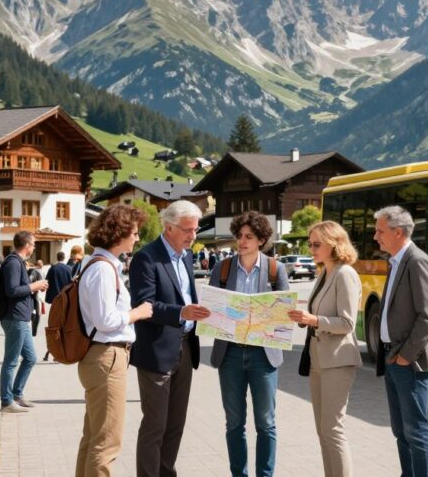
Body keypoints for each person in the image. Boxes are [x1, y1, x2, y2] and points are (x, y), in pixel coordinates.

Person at [129, 200, 210, 477]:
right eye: (187, 230)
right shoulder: (146, 257)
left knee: (176, 423)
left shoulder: (186, 256)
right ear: (168, 227)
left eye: (195, 230)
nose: (193, 236)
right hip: (156, 351)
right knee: (155, 425)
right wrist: (181, 312)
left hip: (186, 347)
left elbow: (188, 297)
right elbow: (145, 305)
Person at [75, 204, 155, 477]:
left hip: (101, 356)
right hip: (107, 356)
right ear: (118, 234)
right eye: (133, 232)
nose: (136, 238)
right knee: (107, 442)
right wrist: (138, 313)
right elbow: (105, 320)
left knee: (94, 437)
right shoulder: (103, 269)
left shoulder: (97, 264)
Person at [209, 210, 290, 477]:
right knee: (234, 423)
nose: (242, 241)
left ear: (261, 240)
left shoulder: (276, 269)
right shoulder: (221, 269)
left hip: (263, 357)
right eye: (239, 236)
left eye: (249, 237)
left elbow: (283, 317)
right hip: (230, 354)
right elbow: (210, 310)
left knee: (266, 423)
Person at [373, 205, 428, 477]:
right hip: (394, 358)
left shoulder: (417, 261)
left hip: (409, 362)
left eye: (380, 231)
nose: (375, 237)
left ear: (398, 232)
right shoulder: (396, 261)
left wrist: (405, 356)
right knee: (401, 430)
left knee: (416, 430)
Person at [288, 221, 362, 477]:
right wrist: (303, 316)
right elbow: (318, 313)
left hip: (337, 361)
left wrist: (314, 320)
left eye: (317, 244)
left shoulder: (345, 274)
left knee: (333, 430)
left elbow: (348, 323)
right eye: (310, 243)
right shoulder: (324, 273)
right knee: (323, 431)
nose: (311, 248)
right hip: (318, 360)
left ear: (335, 243)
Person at [0, 231, 48, 413]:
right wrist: (34, 286)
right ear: (27, 245)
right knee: (11, 361)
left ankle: (16, 395)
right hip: (14, 318)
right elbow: (11, 290)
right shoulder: (13, 262)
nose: (34, 247)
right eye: (34, 244)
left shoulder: (18, 262)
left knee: (30, 358)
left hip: (20, 317)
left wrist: (33, 287)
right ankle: (6, 401)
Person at [43, 252, 73, 361]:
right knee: (63, 324)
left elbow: (47, 282)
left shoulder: (53, 268)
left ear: (57, 257)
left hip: (55, 300)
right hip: (66, 300)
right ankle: (60, 350)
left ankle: (54, 350)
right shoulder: (68, 269)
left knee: (54, 325)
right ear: (64, 258)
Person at [28, 261, 44, 337]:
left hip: (35, 295)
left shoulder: (36, 272)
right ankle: (31, 330)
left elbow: (43, 286)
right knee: (33, 313)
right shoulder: (23, 271)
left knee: (37, 314)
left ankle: (34, 331)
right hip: (29, 295)